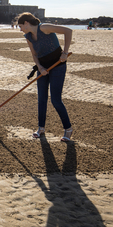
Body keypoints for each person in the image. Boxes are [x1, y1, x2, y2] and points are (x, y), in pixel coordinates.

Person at [16, 12, 74, 142]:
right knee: (41, 99)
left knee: (55, 100)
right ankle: (41, 128)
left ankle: (68, 129)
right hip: (42, 69)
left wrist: (65, 52)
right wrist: (40, 68)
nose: (20, 29)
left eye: (20, 26)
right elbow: (34, 55)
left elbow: (68, 31)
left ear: (26, 23)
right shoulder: (28, 36)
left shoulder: (44, 28)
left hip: (57, 66)